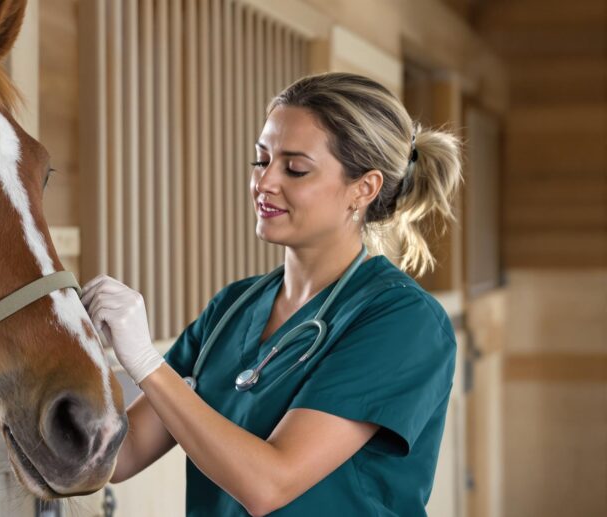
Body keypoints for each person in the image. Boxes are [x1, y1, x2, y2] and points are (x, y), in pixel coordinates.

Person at [80, 72, 463, 516]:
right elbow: (121, 456)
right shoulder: (232, 309)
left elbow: (270, 484)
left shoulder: (402, 321)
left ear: (364, 188)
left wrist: (147, 363)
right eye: (261, 161)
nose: (265, 182)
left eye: (295, 168)